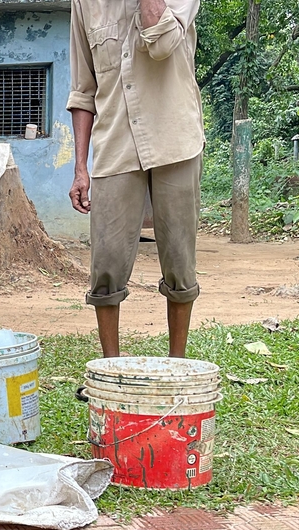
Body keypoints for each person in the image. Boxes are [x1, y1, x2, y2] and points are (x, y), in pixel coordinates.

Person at [67, 0, 204, 359]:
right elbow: (83, 90)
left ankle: (178, 366)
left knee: (179, 261)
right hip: (115, 146)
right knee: (106, 265)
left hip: (175, 140)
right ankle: (111, 369)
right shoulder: (84, 3)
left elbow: (160, 44)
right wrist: (80, 168)